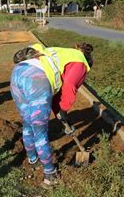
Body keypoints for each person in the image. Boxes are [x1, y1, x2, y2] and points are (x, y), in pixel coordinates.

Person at [10, 42, 93, 188]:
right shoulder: (81, 63)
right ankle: (50, 174)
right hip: (37, 80)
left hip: (17, 74)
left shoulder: (63, 52)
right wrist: (63, 111)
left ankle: (33, 160)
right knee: (40, 132)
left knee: (28, 123)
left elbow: (57, 94)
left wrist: (59, 112)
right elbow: (68, 86)